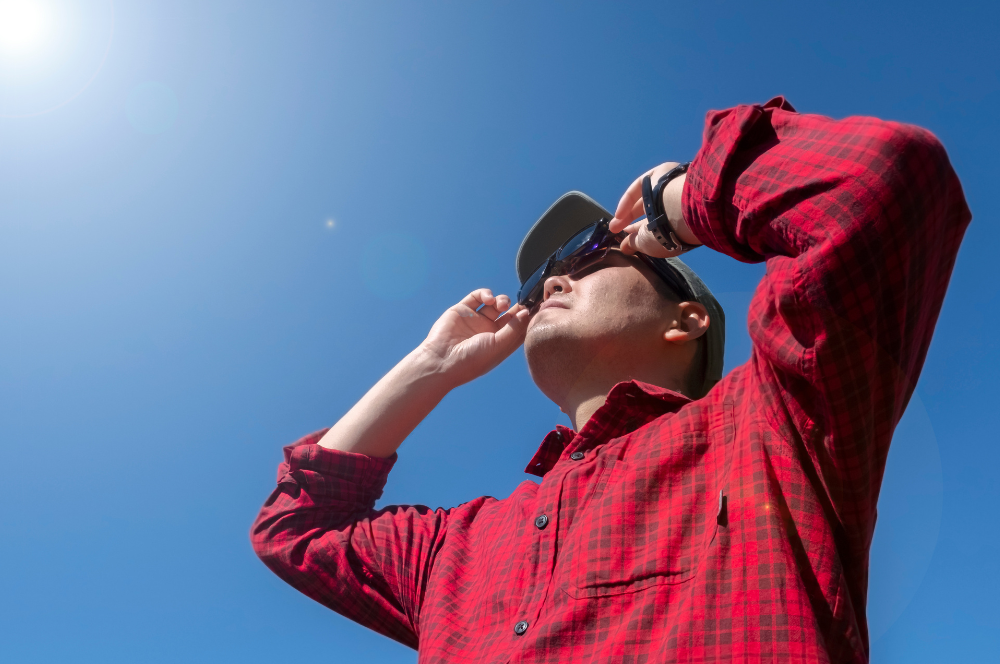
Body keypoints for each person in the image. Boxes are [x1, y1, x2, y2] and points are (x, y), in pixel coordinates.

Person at [251, 97, 970, 663]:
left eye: (596, 254)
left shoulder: (775, 427)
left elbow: (885, 183)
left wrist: (682, 205)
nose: (557, 278)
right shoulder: (459, 549)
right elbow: (295, 528)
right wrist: (429, 370)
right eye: (546, 278)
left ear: (686, 320)